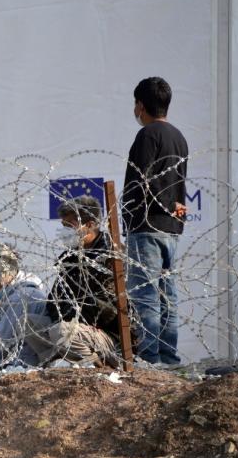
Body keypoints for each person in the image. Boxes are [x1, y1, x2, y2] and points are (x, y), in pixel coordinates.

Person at [122, 76, 188, 366]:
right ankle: (167, 355)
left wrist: (146, 210)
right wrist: (173, 209)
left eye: (136, 105)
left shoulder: (148, 136)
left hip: (147, 225)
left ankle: (149, 356)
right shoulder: (179, 137)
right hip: (171, 227)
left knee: (146, 294)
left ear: (140, 105)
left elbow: (141, 180)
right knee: (166, 294)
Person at [23, 196, 120, 368]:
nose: (64, 231)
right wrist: (63, 315)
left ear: (89, 225)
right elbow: (54, 301)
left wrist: (69, 316)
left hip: (105, 333)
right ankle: (56, 362)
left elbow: (106, 308)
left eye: (70, 226)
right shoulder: (69, 258)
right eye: (63, 226)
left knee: (62, 330)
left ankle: (94, 365)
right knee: (29, 321)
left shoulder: (110, 256)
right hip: (73, 325)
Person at [0, 248, 46, 370]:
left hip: (17, 365)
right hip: (10, 362)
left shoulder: (22, 297)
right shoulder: (17, 294)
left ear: (10, 272)